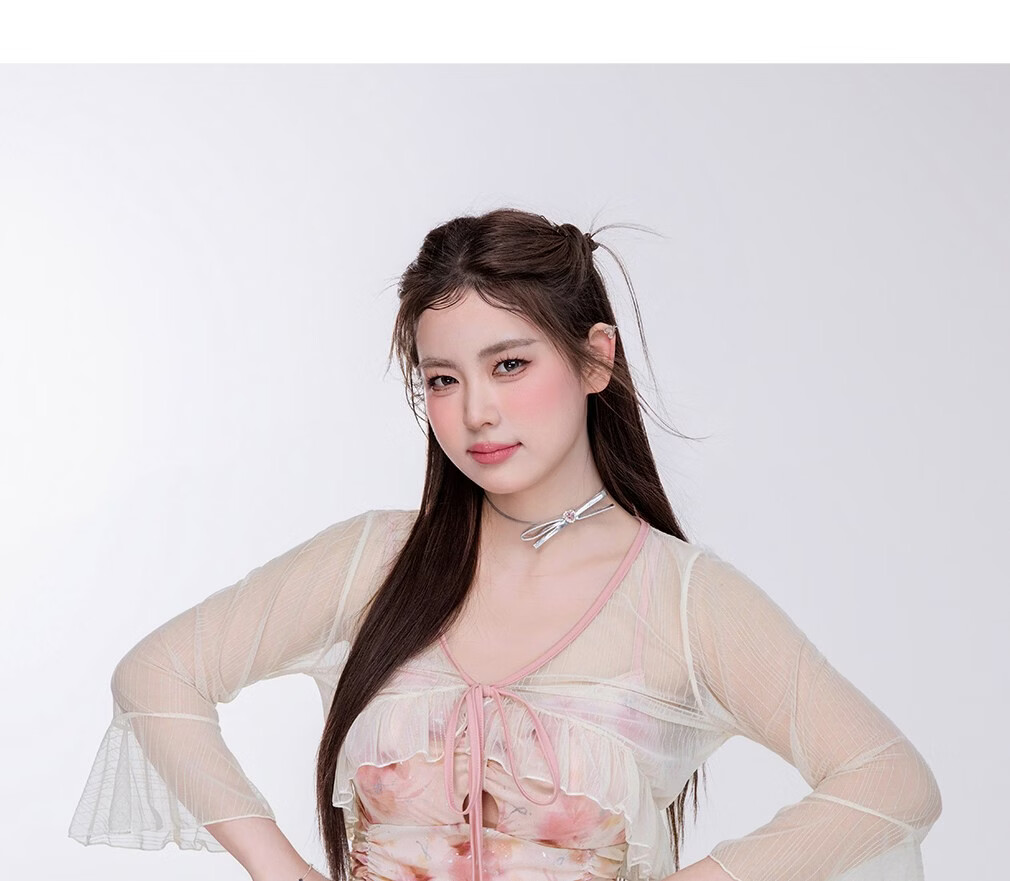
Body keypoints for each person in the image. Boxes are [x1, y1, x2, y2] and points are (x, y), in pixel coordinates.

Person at [69, 208, 942, 881]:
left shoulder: (682, 599)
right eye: (443, 379)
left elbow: (888, 780)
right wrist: (283, 869)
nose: (476, 412)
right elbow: (158, 673)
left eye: (510, 364)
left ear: (595, 359)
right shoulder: (372, 561)